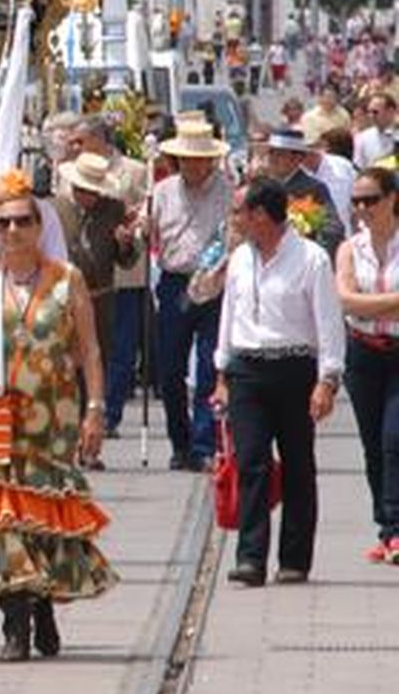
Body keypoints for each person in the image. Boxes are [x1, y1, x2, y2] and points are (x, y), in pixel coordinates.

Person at [0, 171, 116, 661]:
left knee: (42, 519)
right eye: (3, 224)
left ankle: (42, 606)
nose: (13, 231)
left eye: (22, 221)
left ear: (39, 226)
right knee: (0, 522)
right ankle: (14, 624)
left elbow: (89, 350)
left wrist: (95, 410)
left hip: (52, 422)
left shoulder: (67, 279)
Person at [214, 178, 344, 587]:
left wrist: (327, 379)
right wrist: (222, 372)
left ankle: (294, 558)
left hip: (294, 369)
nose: (235, 220)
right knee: (250, 461)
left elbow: (327, 322)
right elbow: (228, 317)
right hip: (247, 371)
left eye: (241, 212)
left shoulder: (311, 258)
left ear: (261, 215)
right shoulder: (239, 259)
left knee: (298, 465)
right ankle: (251, 558)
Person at [150, 116, 233, 471]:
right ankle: (179, 441)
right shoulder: (162, 191)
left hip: (214, 283)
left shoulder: (228, 190)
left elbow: (235, 233)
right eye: (187, 159)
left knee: (208, 367)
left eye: (201, 159)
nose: (194, 166)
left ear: (212, 160)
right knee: (169, 369)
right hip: (174, 284)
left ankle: (202, 443)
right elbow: (150, 235)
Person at [333, 166, 399, 564]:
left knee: (395, 439)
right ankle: (385, 526)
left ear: (392, 199)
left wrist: (363, 302)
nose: (362, 208)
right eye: (356, 201)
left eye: (370, 200)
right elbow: (344, 299)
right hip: (363, 353)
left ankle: (395, 529)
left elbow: (356, 301)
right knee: (373, 445)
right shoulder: (349, 248)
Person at [56, 153, 140, 462]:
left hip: (100, 299)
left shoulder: (114, 210)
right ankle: (64, 437)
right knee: (64, 368)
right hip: (63, 299)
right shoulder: (57, 209)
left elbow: (127, 260)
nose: (87, 197)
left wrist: (125, 243)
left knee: (94, 366)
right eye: (82, 190)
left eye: (92, 191)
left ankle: (90, 442)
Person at [262, 128, 345, 257]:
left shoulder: (313, 188)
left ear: (297, 159)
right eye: (271, 153)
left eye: (280, 154)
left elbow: (333, 229)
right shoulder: (263, 186)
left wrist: (312, 256)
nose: (273, 158)